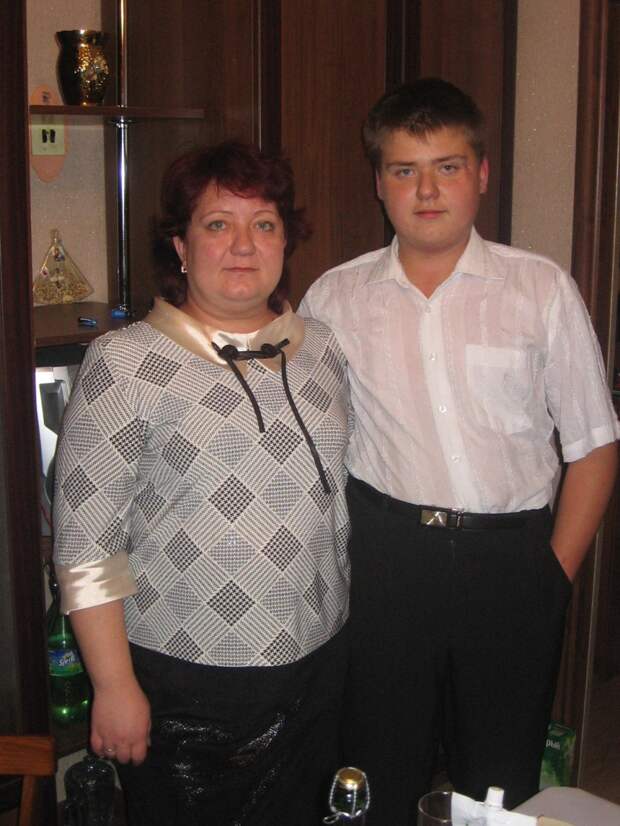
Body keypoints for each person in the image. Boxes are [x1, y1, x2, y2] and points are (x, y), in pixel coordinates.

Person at [299, 78, 620, 822]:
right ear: (379, 182)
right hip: (386, 563)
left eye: (447, 167)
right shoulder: (334, 300)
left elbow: (595, 443)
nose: (427, 190)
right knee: (378, 763)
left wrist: (552, 576)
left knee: (498, 778)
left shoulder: (539, 289)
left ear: (481, 174)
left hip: (511, 564)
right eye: (404, 170)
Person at [53, 141, 351, 826]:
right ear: (182, 248)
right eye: (218, 224)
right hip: (186, 677)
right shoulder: (125, 363)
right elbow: (87, 545)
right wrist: (113, 684)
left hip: (319, 663)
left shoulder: (322, 349)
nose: (244, 244)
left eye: (264, 224)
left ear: (285, 241)